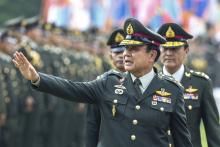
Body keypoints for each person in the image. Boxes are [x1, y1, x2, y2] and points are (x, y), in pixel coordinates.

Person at [12, 18, 193, 147]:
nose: (126, 54)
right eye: (125, 49)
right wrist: (37, 78)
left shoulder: (172, 90)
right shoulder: (109, 83)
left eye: (134, 49)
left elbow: (182, 141)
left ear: (152, 55)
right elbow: (73, 89)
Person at [157, 22, 220, 147]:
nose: (169, 53)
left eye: (174, 49)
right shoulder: (150, 82)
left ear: (186, 50)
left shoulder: (201, 84)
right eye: (165, 48)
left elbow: (213, 131)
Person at [86, 28, 126, 147]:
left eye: (123, 52)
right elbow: (92, 125)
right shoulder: (102, 83)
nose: (120, 56)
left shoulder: (140, 81)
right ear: (110, 55)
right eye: (116, 53)